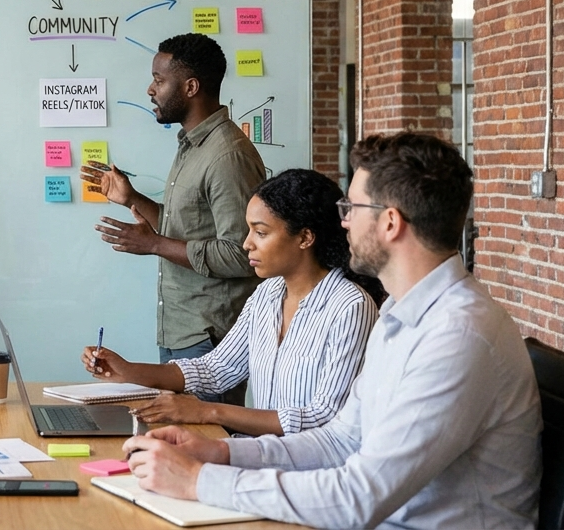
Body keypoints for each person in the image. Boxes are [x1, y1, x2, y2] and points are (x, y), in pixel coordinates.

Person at [123, 133, 542, 529]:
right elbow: (339, 441)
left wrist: (199, 481)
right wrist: (218, 452)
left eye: (352, 209)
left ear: (390, 223)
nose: (342, 224)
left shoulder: (457, 337)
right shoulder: (401, 310)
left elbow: (358, 498)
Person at [83, 169, 380, 436]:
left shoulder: (350, 306)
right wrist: (128, 370)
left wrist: (207, 411)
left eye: (261, 232)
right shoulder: (267, 294)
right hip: (265, 456)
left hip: (315, 472)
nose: (247, 243)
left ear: (305, 238)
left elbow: (323, 417)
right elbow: (215, 369)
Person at [81, 33, 266, 402]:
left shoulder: (227, 155)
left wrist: (154, 244)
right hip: (182, 331)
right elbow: (191, 224)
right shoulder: (192, 145)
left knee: (202, 446)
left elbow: (241, 253)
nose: (151, 89)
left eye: (160, 80)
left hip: (210, 338)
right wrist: (131, 198)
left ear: (191, 87)